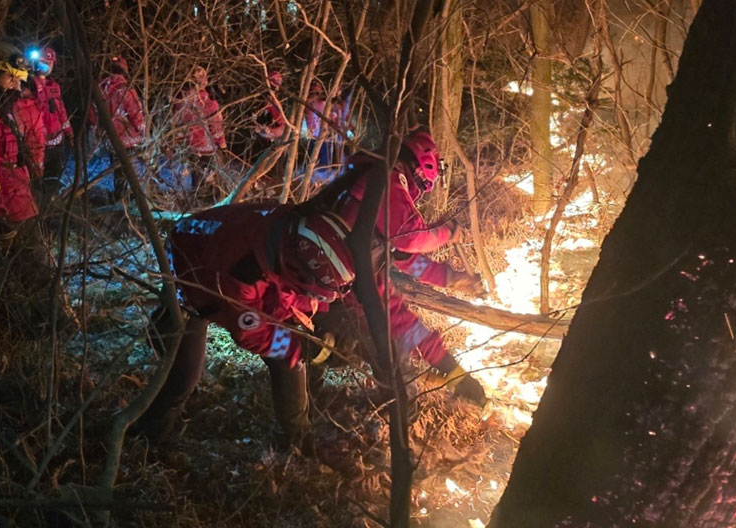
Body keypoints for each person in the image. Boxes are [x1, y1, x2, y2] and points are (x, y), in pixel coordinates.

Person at [137, 198, 485, 450]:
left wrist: (450, 369)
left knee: (312, 338)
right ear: (298, 276)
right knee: (183, 377)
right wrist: (303, 348)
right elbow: (252, 333)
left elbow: (384, 311)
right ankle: (149, 442)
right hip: (192, 277)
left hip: (254, 256)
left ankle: (304, 418)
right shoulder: (238, 277)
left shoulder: (327, 237)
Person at [325, 129, 484, 292]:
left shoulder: (381, 180)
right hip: (327, 267)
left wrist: (450, 279)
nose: (419, 191)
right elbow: (411, 238)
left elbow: (407, 259)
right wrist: (446, 233)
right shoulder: (387, 178)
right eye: (423, 183)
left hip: (332, 273)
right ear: (418, 170)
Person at [0, 48, 46, 274]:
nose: (16, 86)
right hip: (9, 207)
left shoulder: (5, 113)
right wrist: (0, 216)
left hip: (21, 199)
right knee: (26, 269)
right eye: (11, 78)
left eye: (19, 81)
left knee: (26, 265)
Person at [88, 55, 147, 202]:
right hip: (128, 139)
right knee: (132, 172)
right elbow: (136, 114)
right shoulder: (125, 89)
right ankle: (133, 201)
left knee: (118, 170)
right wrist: (143, 133)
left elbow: (93, 115)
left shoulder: (101, 89)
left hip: (110, 139)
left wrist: (99, 132)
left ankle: (120, 199)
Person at [171, 65, 227, 196]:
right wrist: (223, 145)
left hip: (190, 149)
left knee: (196, 180)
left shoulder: (180, 103)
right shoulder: (209, 104)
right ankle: (214, 200)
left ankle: (197, 199)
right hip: (208, 148)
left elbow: (176, 127)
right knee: (213, 179)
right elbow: (217, 129)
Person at [26, 45, 73, 187]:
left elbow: (61, 112)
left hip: (57, 141)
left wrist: (69, 133)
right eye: (42, 62)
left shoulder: (54, 87)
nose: (44, 66)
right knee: (37, 179)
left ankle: (53, 196)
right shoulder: (30, 85)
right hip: (39, 143)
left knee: (54, 177)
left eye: (48, 63)